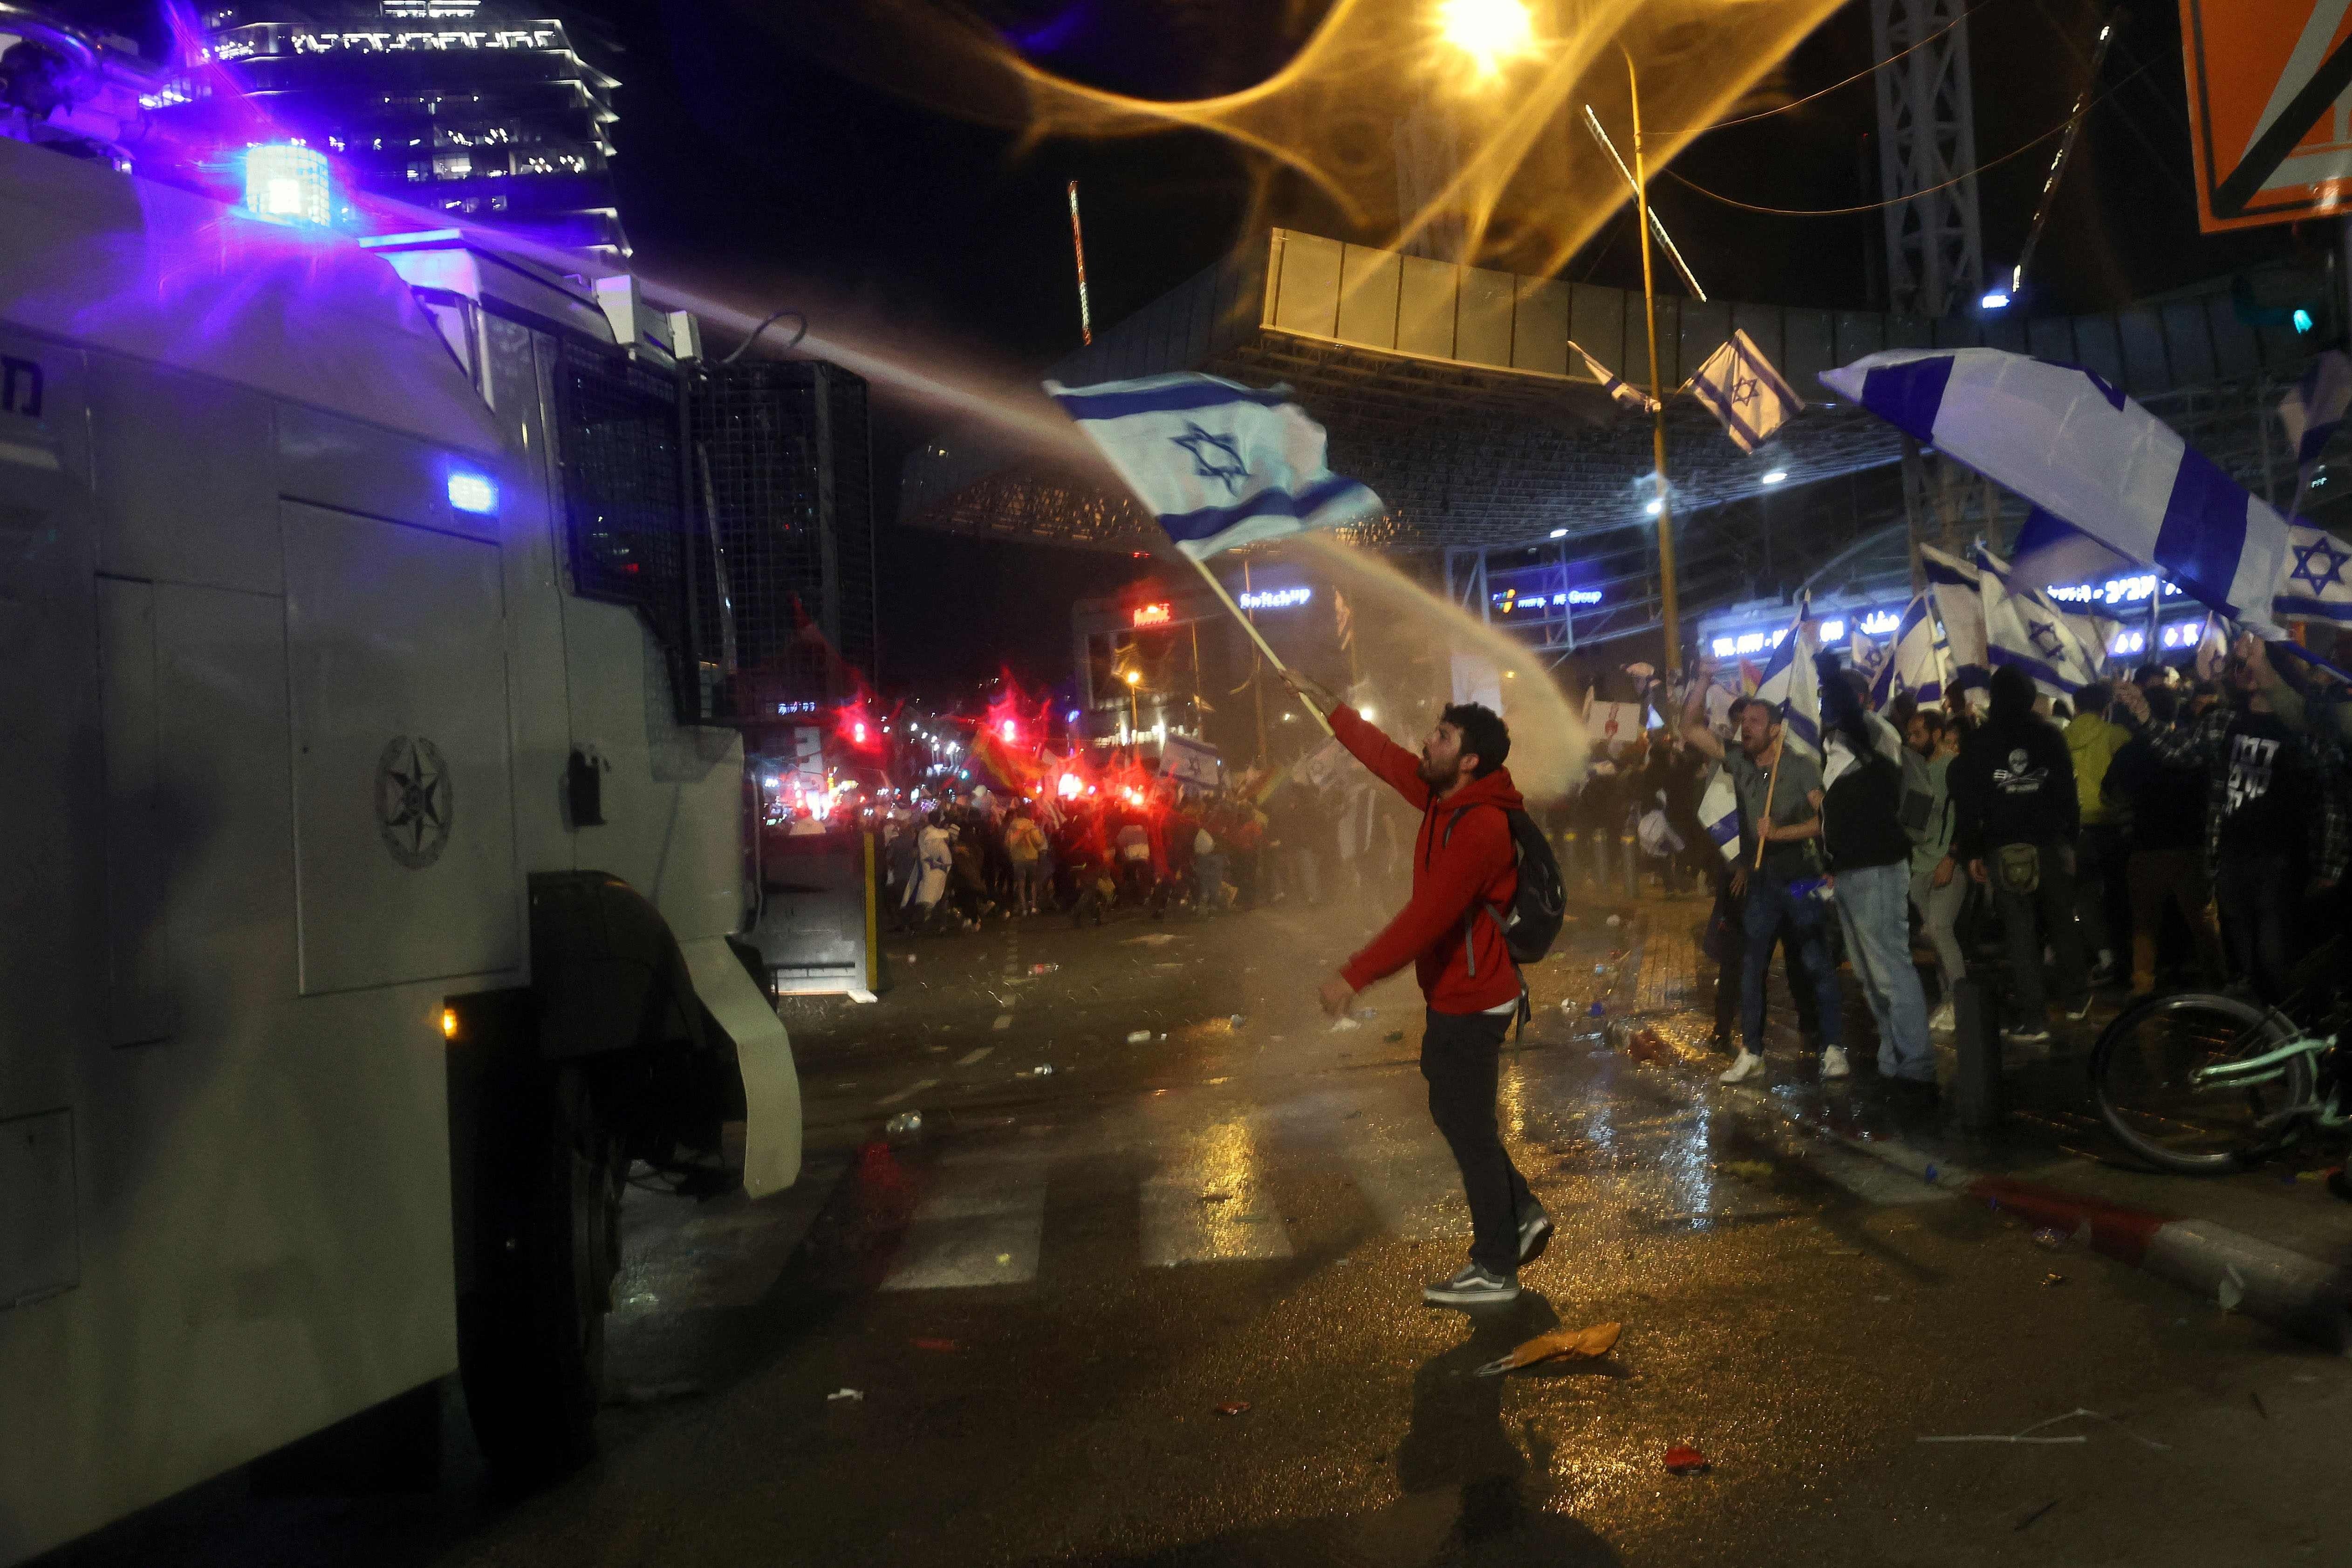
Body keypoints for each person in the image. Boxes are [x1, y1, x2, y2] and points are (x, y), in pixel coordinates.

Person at [1284, 670, 1547, 1309]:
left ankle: (1496, 1264)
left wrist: (1355, 973)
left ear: (1470, 759)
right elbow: (1383, 758)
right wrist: (1331, 707)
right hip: (1456, 994)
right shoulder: (1442, 797)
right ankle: (1522, 1213)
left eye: (1442, 736)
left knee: (1470, 1127)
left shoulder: (1481, 825)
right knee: (1455, 1113)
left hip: (1476, 997)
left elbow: (1427, 918)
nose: (1427, 743)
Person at [2114, 638, 2348, 1003]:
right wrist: (2144, 715)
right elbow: (2178, 752)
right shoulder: (2225, 722)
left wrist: (2330, 863)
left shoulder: (2299, 725)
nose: (2246, 672)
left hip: (2281, 857)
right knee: (2244, 952)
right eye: (2240, 667)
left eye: (2254, 664)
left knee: (2276, 955)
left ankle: (2286, 1028)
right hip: (2231, 855)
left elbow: (2329, 792)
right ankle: (2263, 1029)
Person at [1679, 671, 1845, 1087]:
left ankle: (1834, 1048)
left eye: (1754, 722)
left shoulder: (1801, 768)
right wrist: (1701, 679)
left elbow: (1827, 819)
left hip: (1801, 875)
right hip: (1762, 878)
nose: (1744, 727)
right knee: (1751, 965)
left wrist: (1782, 832)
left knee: (1814, 962)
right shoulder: (1739, 760)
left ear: (1776, 730)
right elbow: (1689, 728)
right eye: (1742, 721)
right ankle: (1752, 1051)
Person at [1813, 659, 1938, 1094]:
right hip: (1851, 870)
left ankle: (1917, 1064)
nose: (1825, 706)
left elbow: (1848, 709)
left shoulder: (1871, 730)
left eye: (1829, 698)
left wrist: (1827, 671)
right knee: (1869, 974)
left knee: (1889, 968)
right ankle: (1894, 1057)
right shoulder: (1837, 745)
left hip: (1878, 867)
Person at [1949, 665, 2087, 1044]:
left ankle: (2034, 1017)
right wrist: (2069, 841)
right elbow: (2067, 794)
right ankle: (2078, 998)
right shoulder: (2049, 735)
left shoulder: (1981, 741)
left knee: (2020, 933)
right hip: (2049, 843)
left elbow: (1970, 802)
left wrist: (1973, 850)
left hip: (2003, 848)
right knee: (2061, 921)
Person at [2101, 685, 2224, 994]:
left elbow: (2109, 793)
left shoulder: (2131, 751)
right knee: (2203, 924)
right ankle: (2219, 986)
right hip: (2190, 846)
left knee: (2144, 926)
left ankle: (2143, 987)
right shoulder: (2191, 746)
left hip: (2146, 847)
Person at [2064, 682, 2134, 985]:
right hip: (2114, 824)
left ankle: (2104, 958)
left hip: (2076, 827)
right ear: (2105, 708)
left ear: (2076, 708)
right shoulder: (2117, 735)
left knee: (2085, 895)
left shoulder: (2061, 739)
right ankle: (2125, 959)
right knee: (2119, 893)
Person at [1903, 708, 1966, 1030]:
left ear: (1937, 734)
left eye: (1918, 734)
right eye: (1909, 735)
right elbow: (1913, 824)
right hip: (1919, 867)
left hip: (1946, 864)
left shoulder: (1953, 768)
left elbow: (1967, 817)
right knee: (1934, 936)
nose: (1912, 740)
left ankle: (1961, 1002)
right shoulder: (1914, 771)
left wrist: (1952, 857)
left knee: (1941, 928)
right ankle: (1947, 1001)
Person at [1004, 806, 1048, 916]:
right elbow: (1038, 842)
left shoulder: (1012, 826)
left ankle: (1024, 908)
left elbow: (1007, 843)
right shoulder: (1031, 825)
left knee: (1021, 884)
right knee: (1033, 883)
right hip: (1031, 858)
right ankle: (1033, 907)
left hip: (1017, 859)